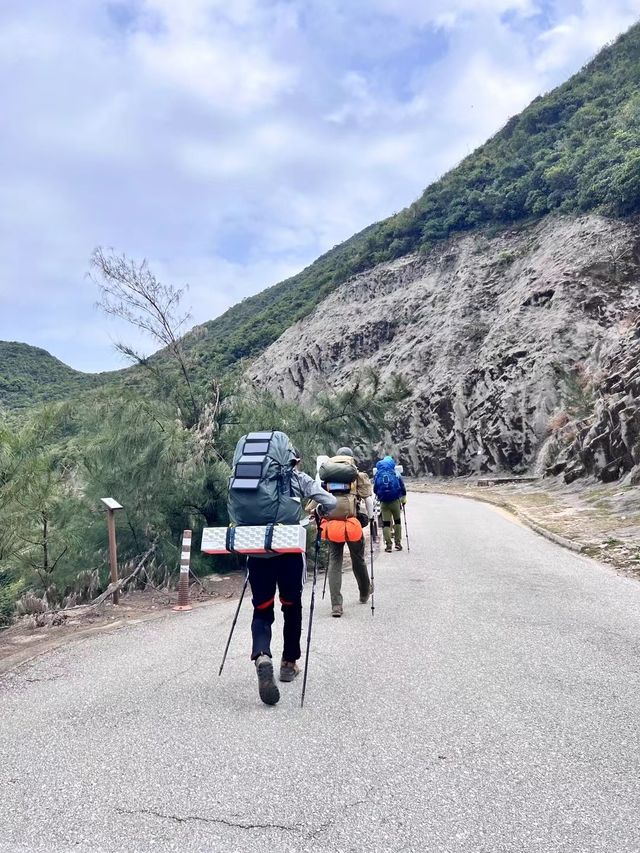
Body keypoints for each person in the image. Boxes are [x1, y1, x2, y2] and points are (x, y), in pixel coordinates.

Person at [248, 446, 336, 706]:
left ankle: (262, 655)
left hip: (257, 551)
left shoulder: (253, 479)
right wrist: (318, 512)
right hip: (288, 552)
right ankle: (288, 663)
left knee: (262, 609)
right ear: (294, 462)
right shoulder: (298, 479)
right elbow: (330, 501)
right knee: (291, 607)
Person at [318, 446, 374, 618]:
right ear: (351, 459)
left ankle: (336, 605)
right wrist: (371, 518)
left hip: (332, 524)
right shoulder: (357, 475)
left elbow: (316, 500)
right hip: (352, 523)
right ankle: (364, 593)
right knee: (358, 558)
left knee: (335, 561)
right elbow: (368, 500)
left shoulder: (328, 476)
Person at [373, 455, 407, 553]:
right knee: (397, 522)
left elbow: (375, 489)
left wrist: (381, 495)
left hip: (384, 502)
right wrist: (403, 499)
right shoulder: (395, 473)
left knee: (386, 524)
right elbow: (402, 487)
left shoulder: (378, 474)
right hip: (395, 501)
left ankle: (388, 545)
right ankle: (398, 543)